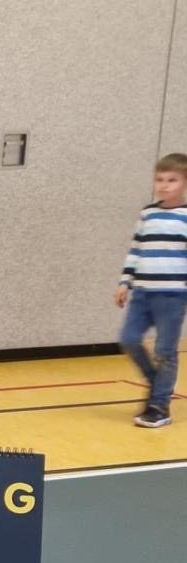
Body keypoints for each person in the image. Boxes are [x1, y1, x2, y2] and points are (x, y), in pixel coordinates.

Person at [115, 152, 187, 428]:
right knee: (130, 339)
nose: (164, 185)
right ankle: (157, 383)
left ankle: (159, 405)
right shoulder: (148, 214)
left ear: (184, 183)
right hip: (143, 293)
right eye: (159, 179)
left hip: (173, 295)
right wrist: (125, 282)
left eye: (172, 180)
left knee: (164, 351)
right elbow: (136, 249)